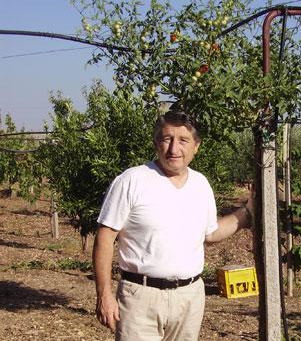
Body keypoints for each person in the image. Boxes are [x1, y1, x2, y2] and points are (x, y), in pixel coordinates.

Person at [93, 110, 253, 341]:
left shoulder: (201, 184)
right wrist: (104, 294)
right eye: (167, 139)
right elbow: (105, 236)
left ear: (196, 146)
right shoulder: (132, 180)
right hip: (140, 297)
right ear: (156, 143)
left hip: (189, 297)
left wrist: (247, 213)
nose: (174, 149)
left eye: (183, 140)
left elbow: (210, 233)